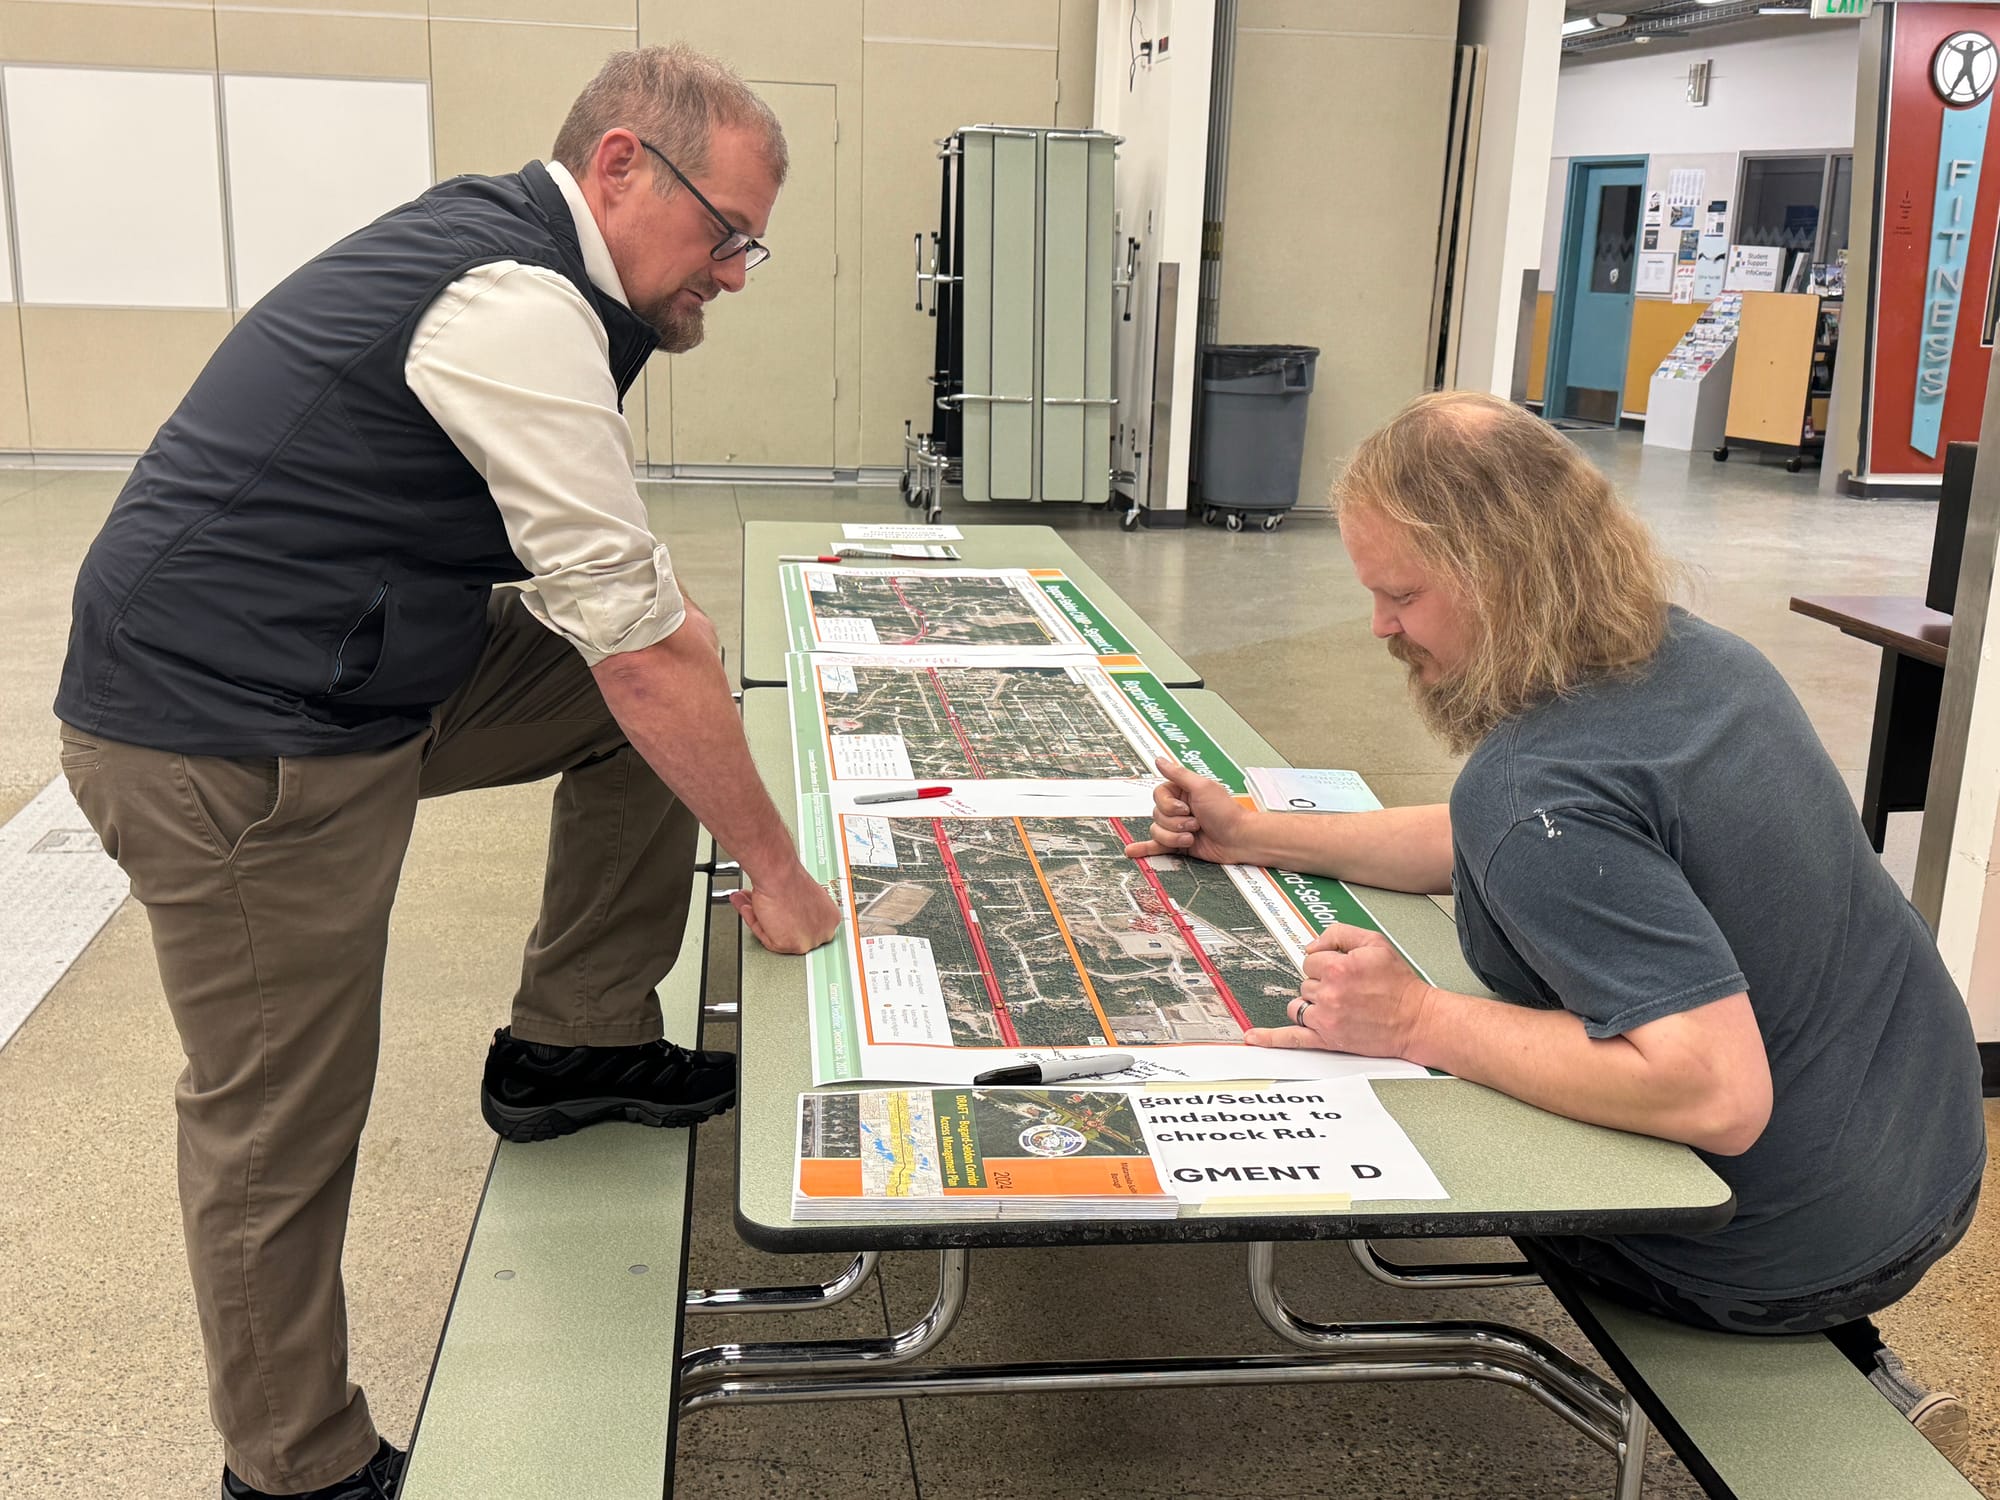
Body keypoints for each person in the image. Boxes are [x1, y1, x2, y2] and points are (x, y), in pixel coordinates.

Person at [54, 44, 839, 1500]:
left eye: (751, 245)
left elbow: (636, 641)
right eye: (726, 232)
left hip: (366, 650)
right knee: (280, 1111)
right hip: (227, 725)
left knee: (649, 699)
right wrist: (780, 880)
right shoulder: (513, 297)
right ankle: (292, 1465)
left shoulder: (544, 271)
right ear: (620, 166)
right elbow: (632, 639)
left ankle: (574, 1042)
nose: (736, 271)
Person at [1126, 390, 1986, 1462]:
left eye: (1401, 592)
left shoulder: (1534, 789)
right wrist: (1254, 832)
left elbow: (1712, 1093)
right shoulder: (1691, 657)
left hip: (1776, 1241)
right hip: (1930, 1145)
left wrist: (1413, 1026)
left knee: (1442, 1101)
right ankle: (1855, 1356)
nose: (1380, 626)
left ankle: (1815, 1366)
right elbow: (1499, 837)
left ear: (1505, 575)